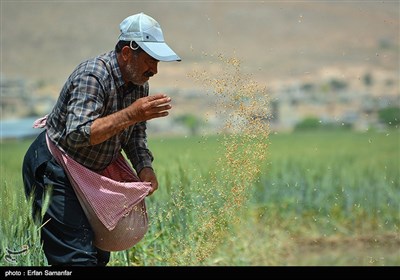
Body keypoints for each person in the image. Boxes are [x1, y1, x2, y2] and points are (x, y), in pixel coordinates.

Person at [22, 12, 181, 266]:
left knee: (97, 257)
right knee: (76, 259)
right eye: (151, 61)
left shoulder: (139, 83)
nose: (155, 70)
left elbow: (135, 133)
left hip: (89, 173)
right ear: (128, 53)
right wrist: (132, 113)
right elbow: (77, 133)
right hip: (56, 168)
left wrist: (144, 167)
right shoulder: (93, 76)